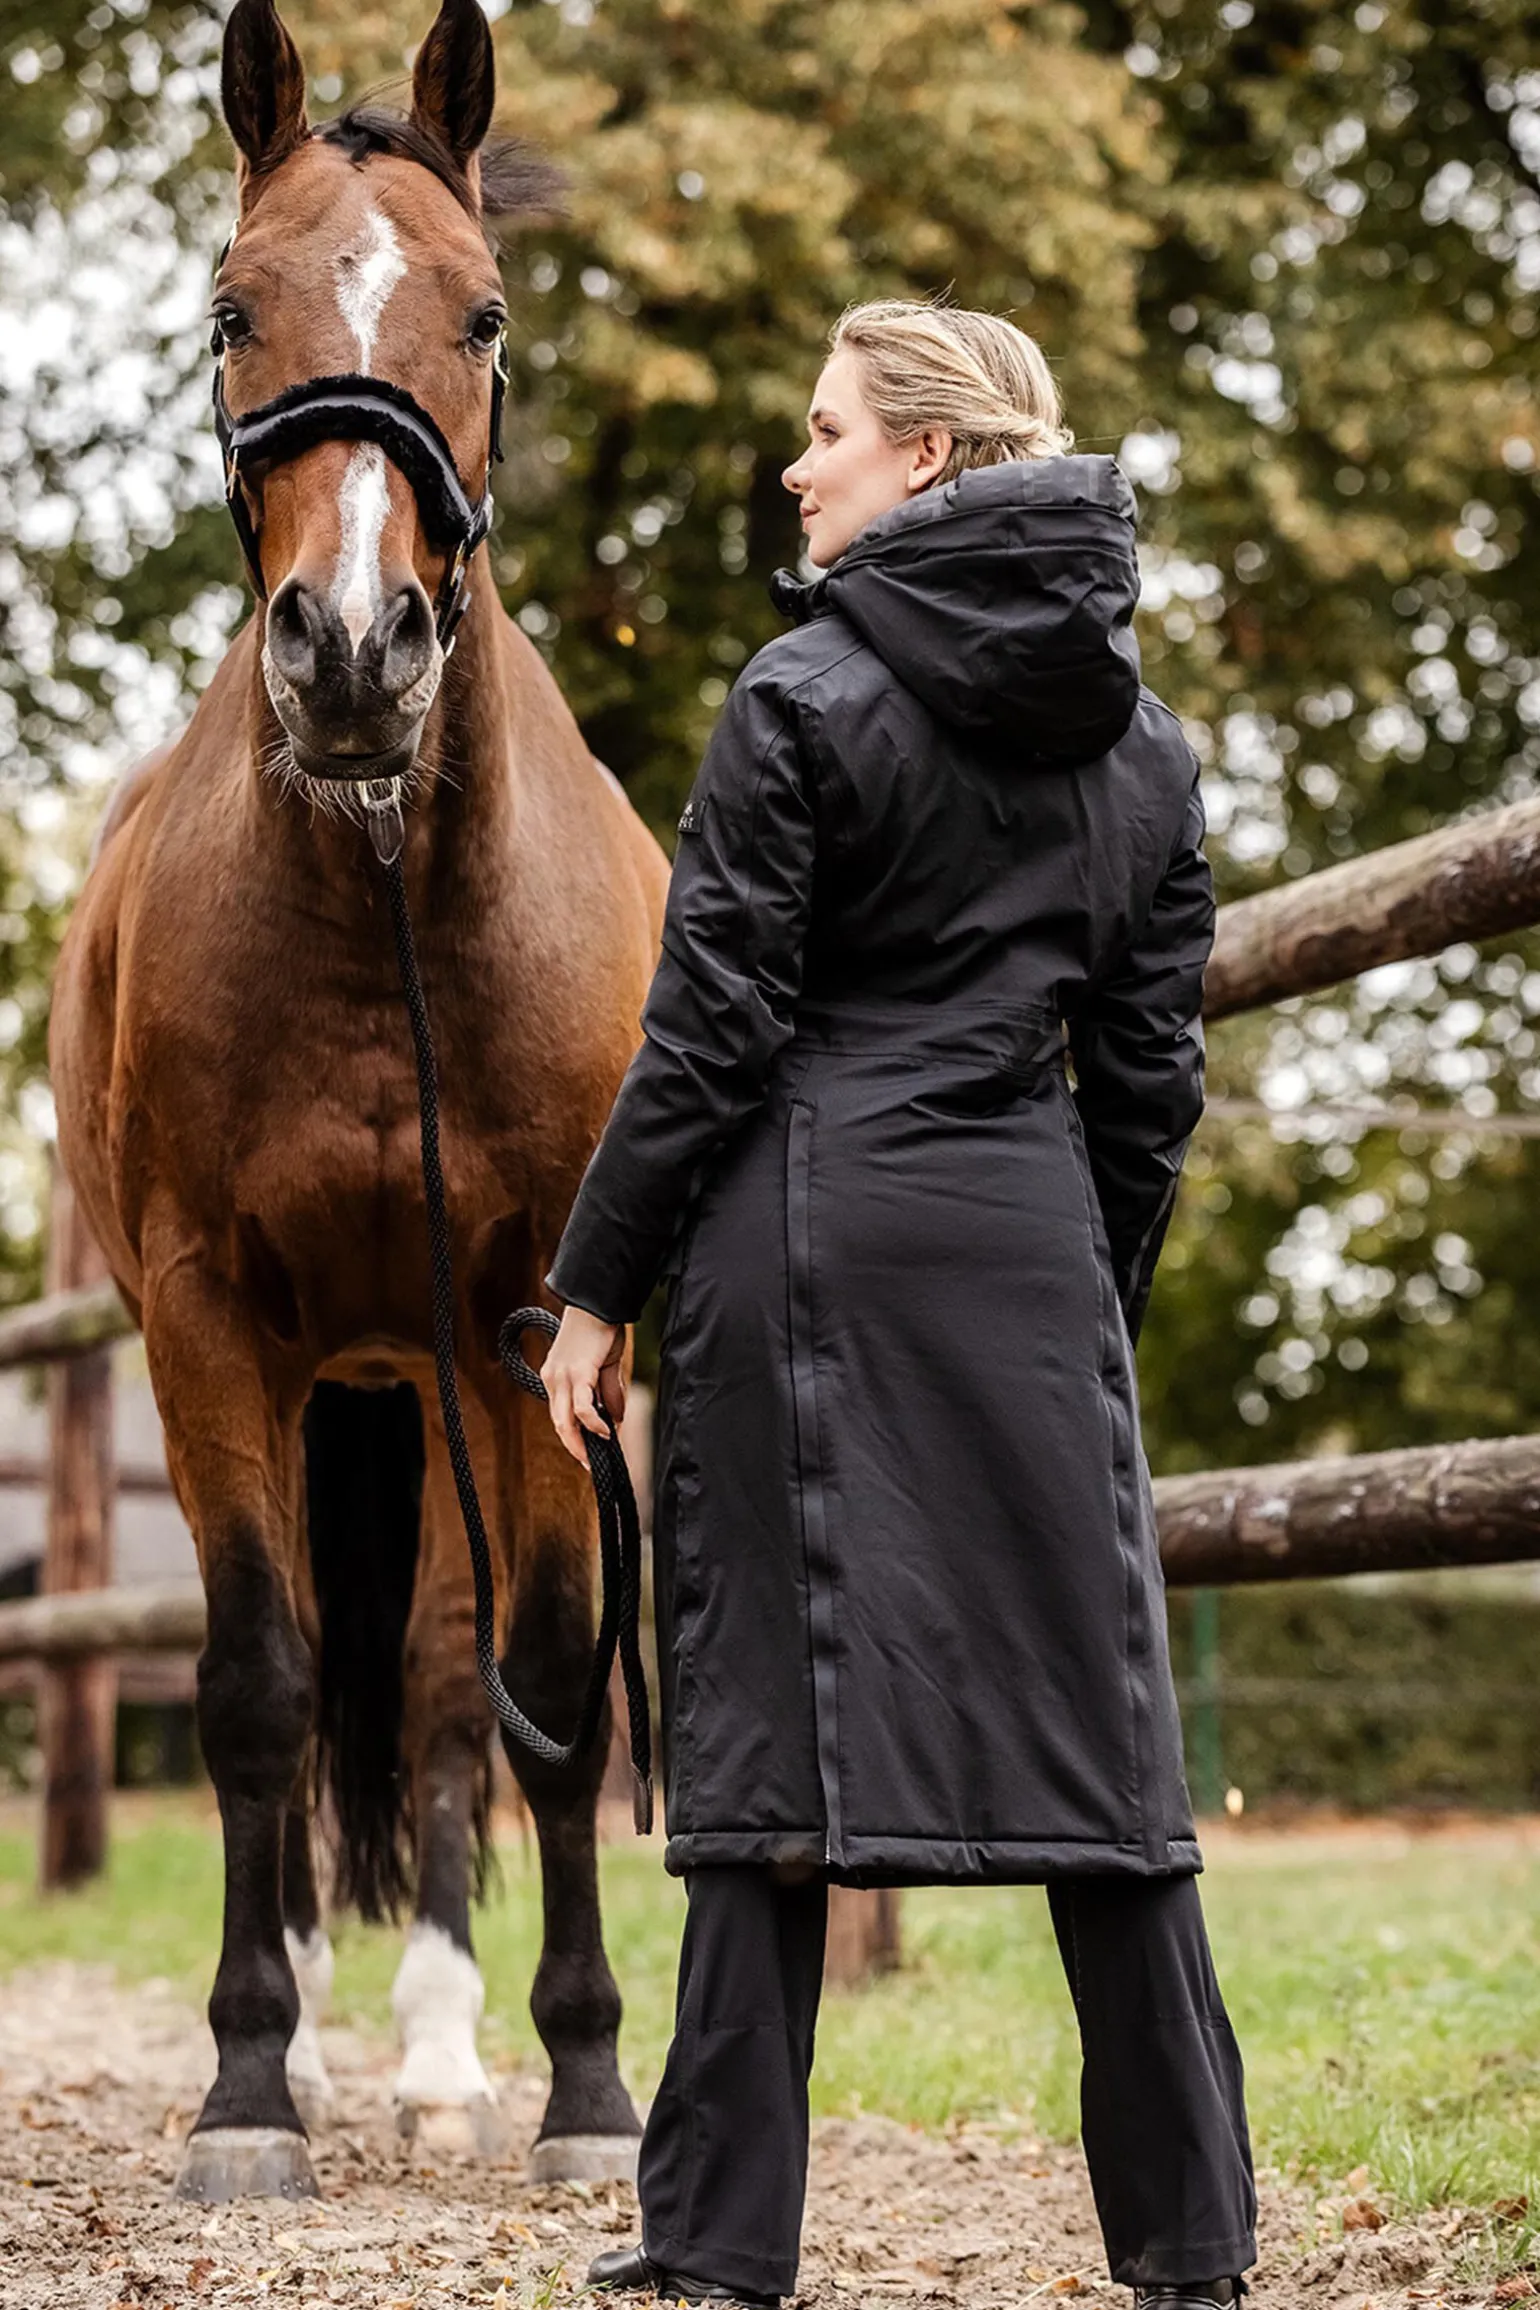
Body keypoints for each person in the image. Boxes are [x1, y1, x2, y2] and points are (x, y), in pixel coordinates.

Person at [537, 298, 1257, 2310]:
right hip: (1023, 1252)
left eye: (826, 428)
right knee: (1105, 1750)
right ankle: (1190, 2243)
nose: (795, 462)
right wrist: (1073, 1303)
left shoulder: (797, 693)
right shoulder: (1150, 747)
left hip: (801, 1247)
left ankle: (716, 2247)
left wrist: (590, 1294)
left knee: (763, 1733)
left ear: (928, 458)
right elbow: (1146, 1084)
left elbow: (706, 1037)